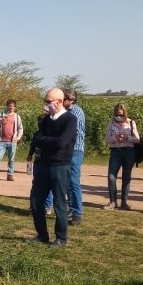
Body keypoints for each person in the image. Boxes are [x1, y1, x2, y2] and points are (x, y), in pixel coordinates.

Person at [29, 88, 77, 247]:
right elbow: (36, 139)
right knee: (36, 201)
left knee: (59, 203)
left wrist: (45, 140)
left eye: (49, 102)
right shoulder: (46, 120)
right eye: (46, 101)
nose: (46, 104)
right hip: (43, 164)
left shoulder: (70, 120)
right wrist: (47, 140)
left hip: (60, 166)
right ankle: (42, 235)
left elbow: (62, 142)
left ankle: (61, 238)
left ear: (59, 101)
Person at [103, 103, 139, 211]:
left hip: (128, 151)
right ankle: (113, 201)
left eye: (121, 114)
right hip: (115, 151)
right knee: (111, 176)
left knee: (126, 177)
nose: (119, 116)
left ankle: (124, 202)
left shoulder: (131, 123)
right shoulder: (111, 124)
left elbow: (137, 139)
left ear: (125, 113)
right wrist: (115, 138)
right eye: (117, 114)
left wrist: (127, 137)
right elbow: (107, 140)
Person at [62, 89, 86, 225]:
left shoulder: (76, 112)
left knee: (74, 182)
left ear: (70, 100)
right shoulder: (67, 112)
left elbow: (71, 133)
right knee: (67, 181)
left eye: (63, 99)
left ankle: (77, 213)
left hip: (75, 150)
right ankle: (71, 208)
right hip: (67, 150)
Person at [26, 112, 54, 215]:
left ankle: (47, 206)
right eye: (39, 121)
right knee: (35, 184)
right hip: (37, 162)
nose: (40, 123)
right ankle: (33, 205)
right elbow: (33, 145)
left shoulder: (50, 134)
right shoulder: (36, 134)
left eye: (42, 121)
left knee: (48, 185)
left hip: (47, 162)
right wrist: (30, 155)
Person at [0, 99, 24, 182]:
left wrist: (18, 138)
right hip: (2, 141)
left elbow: (20, 128)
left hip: (12, 141)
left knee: (11, 159)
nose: (11, 107)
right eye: (9, 105)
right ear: (7, 106)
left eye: (12, 106)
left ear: (15, 107)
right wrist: (0, 122)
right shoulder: (1, 114)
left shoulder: (17, 116)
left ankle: (10, 175)